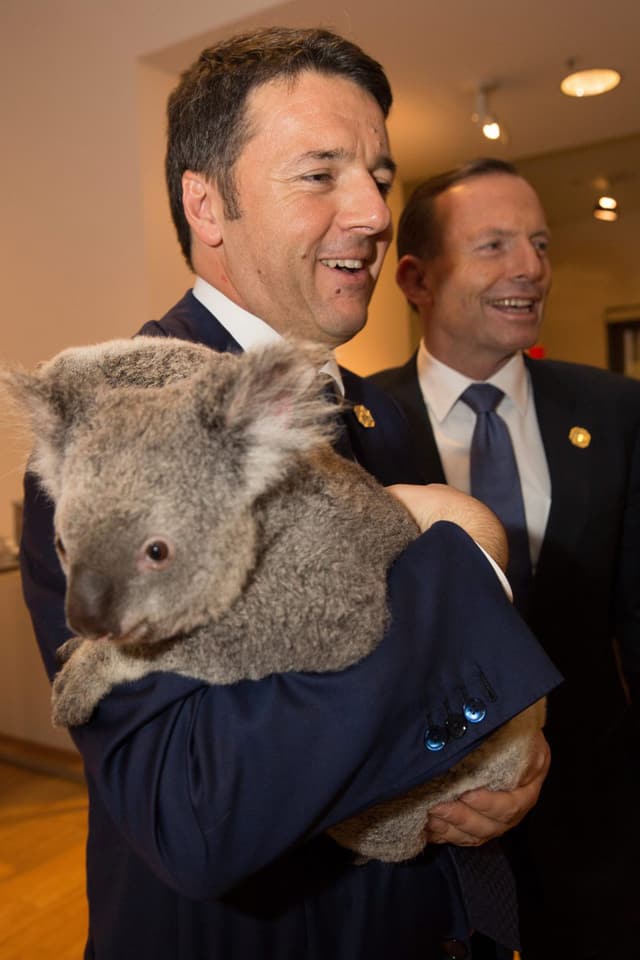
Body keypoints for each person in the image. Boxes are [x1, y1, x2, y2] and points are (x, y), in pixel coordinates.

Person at [20, 37, 560, 960]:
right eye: (321, 175)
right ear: (207, 204)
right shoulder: (113, 439)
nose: (374, 211)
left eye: (379, 175)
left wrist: (498, 753)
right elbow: (197, 809)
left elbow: (393, 670)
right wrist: (468, 552)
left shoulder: (376, 413)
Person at [371, 157, 640, 960]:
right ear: (415, 278)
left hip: (598, 826)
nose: (531, 268)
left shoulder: (618, 411)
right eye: (493, 245)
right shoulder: (358, 427)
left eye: (540, 243)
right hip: (427, 825)